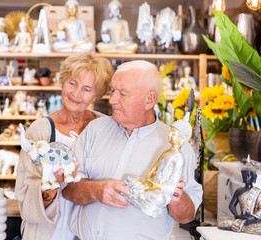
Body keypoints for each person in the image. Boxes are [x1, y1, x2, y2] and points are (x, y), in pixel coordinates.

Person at [63, 60, 203, 240]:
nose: (112, 99)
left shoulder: (177, 147)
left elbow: (186, 216)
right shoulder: (95, 130)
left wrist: (176, 198)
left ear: (149, 100)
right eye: (113, 90)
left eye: (123, 93)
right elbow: (67, 189)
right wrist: (96, 190)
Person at [15, 52, 113, 240]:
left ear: (96, 95)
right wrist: (51, 186)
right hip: (48, 233)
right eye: (72, 83)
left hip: (90, 231)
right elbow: (23, 195)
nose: (76, 94)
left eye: (86, 89)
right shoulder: (41, 130)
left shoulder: (105, 127)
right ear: (63, 82)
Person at [217, 156, 261, 235]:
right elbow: (232, 206)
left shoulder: (258, 192)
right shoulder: (239, 191)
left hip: (253, 220)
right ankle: (244, 227)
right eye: (244, 175)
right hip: (241, 219)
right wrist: (237, 215)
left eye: (248, 175)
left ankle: (241, 227)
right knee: (221, 221)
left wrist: (252, 217)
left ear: (254, 177)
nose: (246, 177)